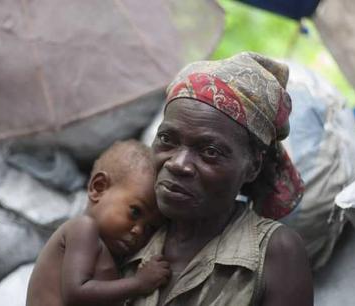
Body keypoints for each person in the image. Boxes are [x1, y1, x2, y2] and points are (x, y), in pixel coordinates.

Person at [122, 52, 313, 306]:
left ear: (253, 166)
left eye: (210, 152)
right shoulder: (130, 229)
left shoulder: (275, 252)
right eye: (167, 140)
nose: (178, 164)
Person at [26, 140, 171, 306]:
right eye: (135, 212)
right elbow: (76, 293)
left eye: (150, 228)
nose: (138, 231)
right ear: (98, 187)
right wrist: (139, 283)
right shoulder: (82, 229)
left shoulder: (108, 252)